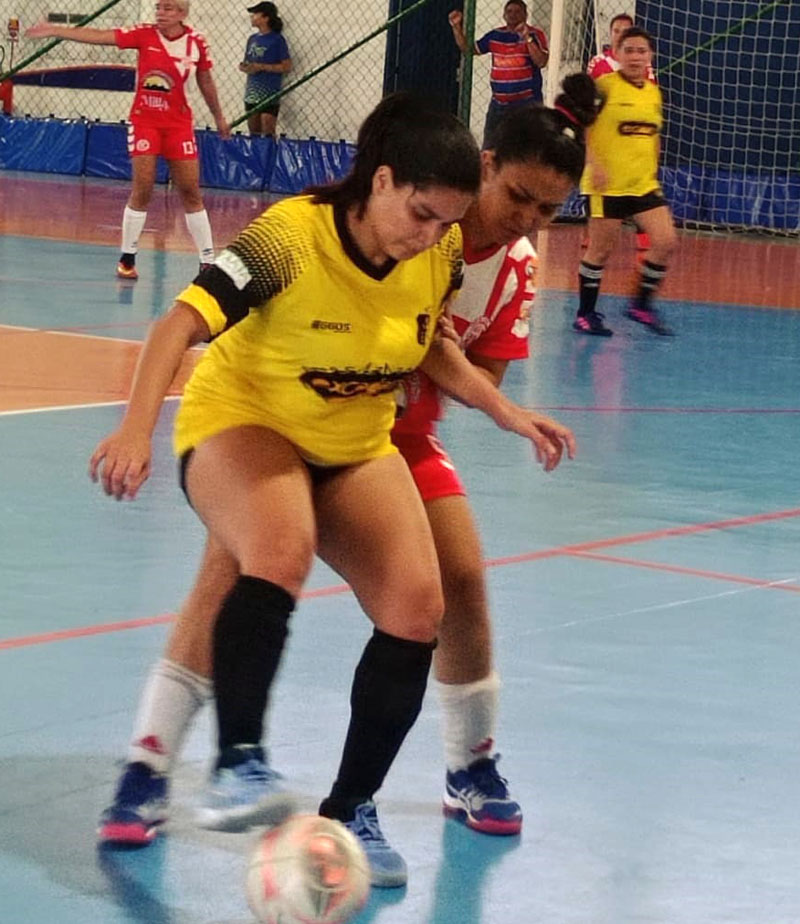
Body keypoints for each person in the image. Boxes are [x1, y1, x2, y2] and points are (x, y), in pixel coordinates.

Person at [88, 92, 573, 888]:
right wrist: (134, 430)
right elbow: (177, 324)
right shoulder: (290, 239)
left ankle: (351, 808)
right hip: (250, 421)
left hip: (355, 436)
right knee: (274, 552)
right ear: (380, 182)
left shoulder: (438, 250)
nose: (431, 236)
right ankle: (231, 763)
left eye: (443, 224)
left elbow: (432, 347)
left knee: (422, 604)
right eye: (420, 214)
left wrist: (506, 410)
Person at [25, 0, 230, 282]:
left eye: (168, 9)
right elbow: (100, 36)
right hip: (145, 123)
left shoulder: (196, 42)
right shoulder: (144, 35)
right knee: (143, 187)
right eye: (158, 7)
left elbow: (206, 79)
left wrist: (219, 116)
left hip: (179, 126)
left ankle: (207, 262)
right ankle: (127, 257)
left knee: (190, 191)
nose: (161, 13)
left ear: (182, 13)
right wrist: (56, 30)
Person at [572, 27, 676, 337]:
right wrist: (594, 163)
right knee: (601, 250)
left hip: (642, 183)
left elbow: (653, 133)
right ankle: (585, 314)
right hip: (607, 185)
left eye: (641, 51)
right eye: (628, 50)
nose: (635, 56)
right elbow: (582, 127)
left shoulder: (654, 92)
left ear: (650, 56)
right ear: (616, 54)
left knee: (666, 241)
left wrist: (653, 166)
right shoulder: (603, 87)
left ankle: (640, 305)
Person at [585, 13, 654, 254]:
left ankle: (643, 237)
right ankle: (593, 234)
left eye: (626, 30)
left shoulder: (643, 69)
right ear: (612, 34)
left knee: (642, 191)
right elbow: (588, 103)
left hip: (634, 146)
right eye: (616, 30)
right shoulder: (598, 65)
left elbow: (650, 99)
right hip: (606, 144)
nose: (620, 34)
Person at [448, 1, 548, 148]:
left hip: (527, 104)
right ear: (504, 15)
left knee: (527, 149)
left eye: (517, 12)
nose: (513, 15)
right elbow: (469, 50)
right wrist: (456, 28)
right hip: (499, 105)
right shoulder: (495, 35)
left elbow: (541, 62)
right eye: (509, 12)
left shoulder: (535, 34)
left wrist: (527, 38)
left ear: (526, 15)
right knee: (491, 147)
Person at [240, 1, 291, 138]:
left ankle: (269, 157)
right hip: (252, 91)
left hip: (270, 92)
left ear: (266, 17)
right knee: (254, 131)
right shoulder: (252, 39)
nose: (252, 17)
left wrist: (262, 67)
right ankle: (257, 157)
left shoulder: (277, 40)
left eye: (256, 14)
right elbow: (248, 60)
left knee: (267, 128)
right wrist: (246, 67)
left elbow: (286, 66)